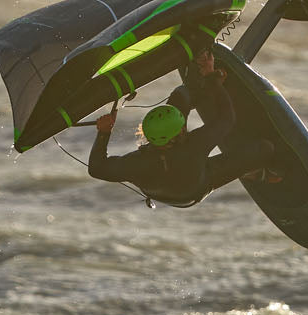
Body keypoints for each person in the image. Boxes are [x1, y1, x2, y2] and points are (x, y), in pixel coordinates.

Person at [86, 49, 270, 205]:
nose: (184, 127)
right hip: (195, 189)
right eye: (181, 125)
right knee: (264, 148)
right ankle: (258, 174)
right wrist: (212, 79)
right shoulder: (195, 145)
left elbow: (96, 169)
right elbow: (226, 118)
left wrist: (104, 132)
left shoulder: (134, 163)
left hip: (163, 189)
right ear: (177, 133)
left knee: (179, 97)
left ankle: (203, 85)